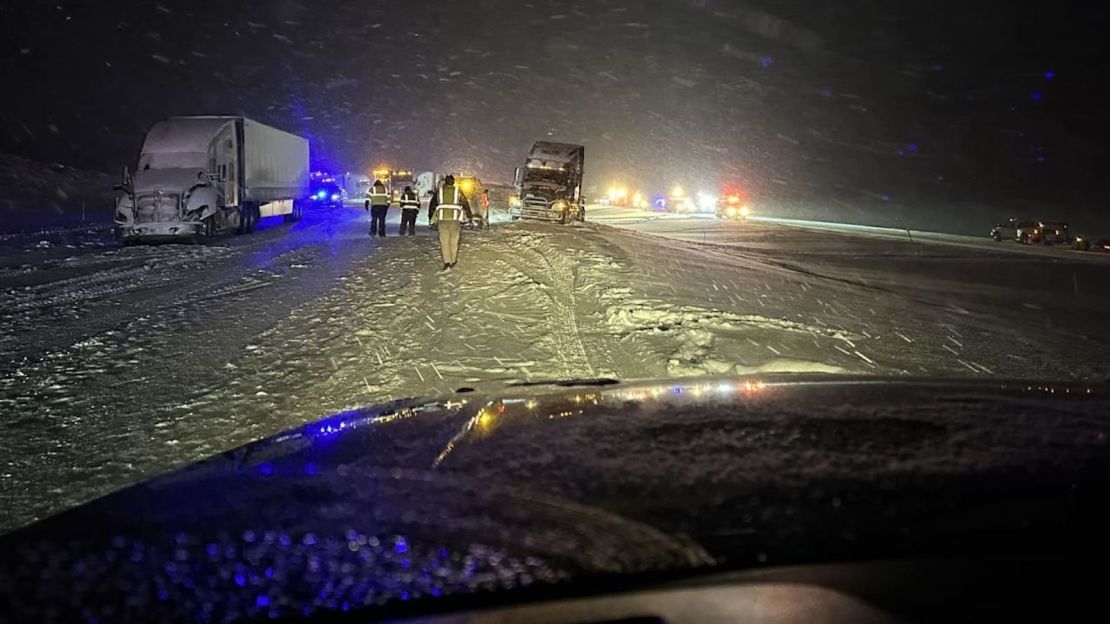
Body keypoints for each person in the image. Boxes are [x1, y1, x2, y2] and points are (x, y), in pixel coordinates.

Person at [427, 174, 472, 270]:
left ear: (445, 182)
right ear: (453, 182)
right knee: (454, 241)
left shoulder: (439, 192)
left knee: (444, 242)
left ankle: (446, 262)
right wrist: (469, 216)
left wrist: (431, 218)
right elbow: (465, 204)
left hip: (442, 220)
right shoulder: (458, 192)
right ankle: (453, 260)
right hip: (455, 220)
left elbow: (432, 205)